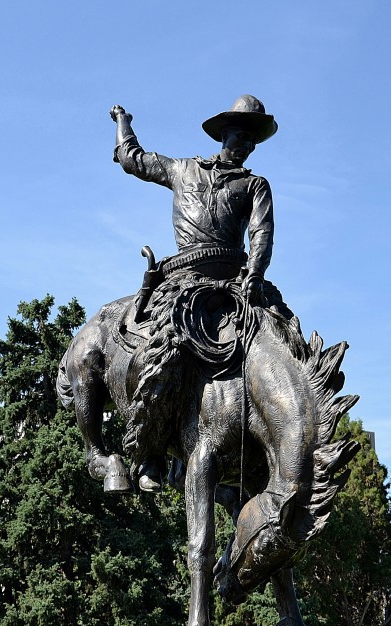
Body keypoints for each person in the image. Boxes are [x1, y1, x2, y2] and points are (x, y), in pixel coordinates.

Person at [111, 95, 297, 491]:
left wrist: (256, 272)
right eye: (240, 135)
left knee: (286, 342)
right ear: (224, 133)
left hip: (236, 280)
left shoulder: (254, 185)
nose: (246, 144)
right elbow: (133, 159)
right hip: (183, 282)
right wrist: (123, 122)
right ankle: (151, 451)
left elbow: (262, 234)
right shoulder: (183, 169)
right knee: (163, 350)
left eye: (252, 139)